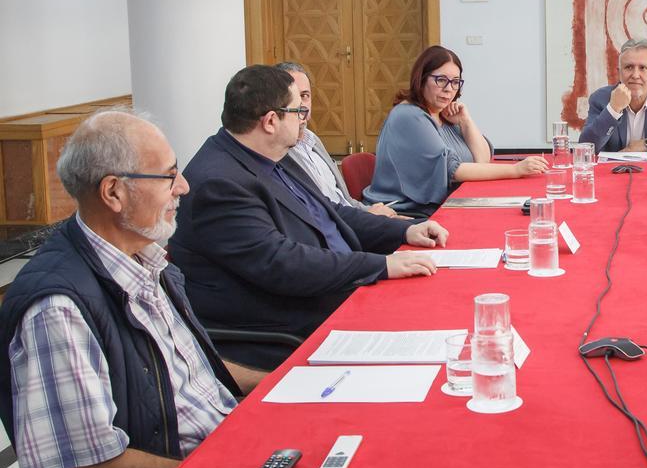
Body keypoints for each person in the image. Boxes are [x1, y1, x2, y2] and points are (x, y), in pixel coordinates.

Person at [0, 111, 260, 468]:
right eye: (169, 175)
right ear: (114, 192)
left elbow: (192, 373)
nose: (183, 187)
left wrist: (281, 384)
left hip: (223, 457)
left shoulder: (141, 258)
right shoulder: (58, 308)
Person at [169, 65, 448, 370]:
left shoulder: (274, 156)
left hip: (339, 288)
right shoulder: (219, 185)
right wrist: (380, 265)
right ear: (271, 121)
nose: (305, 117)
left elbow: (331, 213)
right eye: (297, 111)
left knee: (442, 306)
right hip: (292, 326)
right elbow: (283, 263)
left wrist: (404, 232)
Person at [364, 45, 549, 218]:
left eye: (455, 82)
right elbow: (454, 171)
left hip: (449, 205)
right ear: (421, 78)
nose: (449, 89)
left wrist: (465, 121)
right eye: (441, 80)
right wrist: (516, 170)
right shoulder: (410, 116)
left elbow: (482, 160)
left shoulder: (443, 115)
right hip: (409, 214)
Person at [277, 61, 403, 218]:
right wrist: (368, 216)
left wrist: (371, 212)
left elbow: (345, 200)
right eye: (293, 97)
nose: (301, 105)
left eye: (305, 96)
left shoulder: (313, 140)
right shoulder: (279, 153)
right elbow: (317, 214)